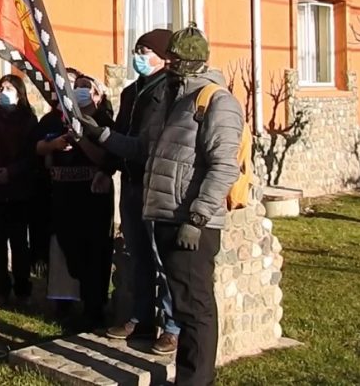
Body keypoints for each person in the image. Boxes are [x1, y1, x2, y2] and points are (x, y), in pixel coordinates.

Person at [83, 24, 244, 386]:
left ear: (191, 61)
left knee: (195, 308)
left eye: (173, 58)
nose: (166, 64)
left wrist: (198, 217)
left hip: (191, 224)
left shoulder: (217, 102)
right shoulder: (173, 100)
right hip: (164, 217)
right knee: (188, 308)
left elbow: (223, 167)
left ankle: (195, 380)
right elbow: (144, 148)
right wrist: (101, 134)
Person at [104, 29, 181, 355]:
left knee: (163, 258)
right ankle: (141, 317)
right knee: (138, 255)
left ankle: (172, 325)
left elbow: (146, 144)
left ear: (164, 56)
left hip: (156, 184)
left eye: (146, 50)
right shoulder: (131, 92)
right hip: (132, 183)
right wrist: (105, 168)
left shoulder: (169, 90)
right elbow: (120, 132)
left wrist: (107, 138)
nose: (139, 56)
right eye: (137, 49)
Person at [36, 71, 115, 330]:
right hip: (62, 193)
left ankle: (94, 307)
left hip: (92, 194)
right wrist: (55, 145)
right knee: (64, 248)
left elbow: (104, 158)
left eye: (84, 86)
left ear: (97, 94)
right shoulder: (54, 119)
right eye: (75, 86)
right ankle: (63, 303)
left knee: (94, 251)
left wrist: (80, 138)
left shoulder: (103, 121)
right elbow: (38, 148)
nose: (78, 89)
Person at [0, 74, 38, 307]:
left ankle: (23, 288)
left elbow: (31, 155)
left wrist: (11, 172)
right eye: (1, 87)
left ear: (20, 93)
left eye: (10, 88)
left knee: (19, 242)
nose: (4, 92)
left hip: (19, 189)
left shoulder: (28, 121)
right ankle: (1, 288)